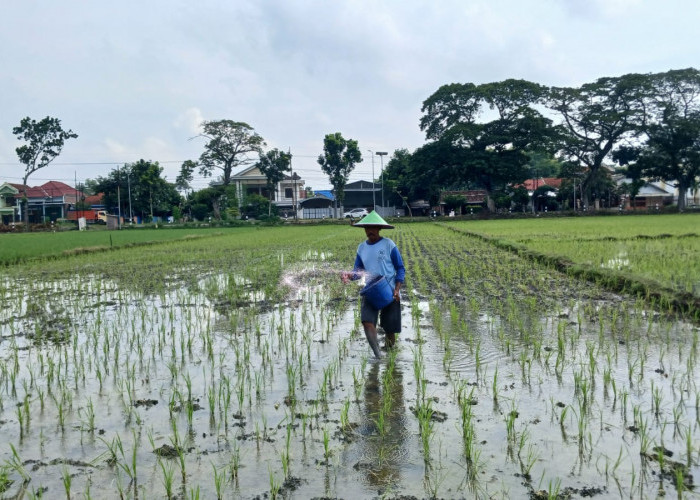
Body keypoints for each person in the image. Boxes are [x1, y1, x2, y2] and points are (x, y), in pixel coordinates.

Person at [341, 211, 405, 358]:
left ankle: (390, 355)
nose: (370, 231)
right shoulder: (361, 248)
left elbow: (400, 268)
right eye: (367, 228)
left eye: (373, 227)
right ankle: (378, 356)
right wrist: (349, 275)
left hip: (389, 290)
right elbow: (358, 272)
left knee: (390, 330)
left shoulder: (389, 245)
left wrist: (397, 290)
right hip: (371, 290)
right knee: (367, 322)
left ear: (379, 228)